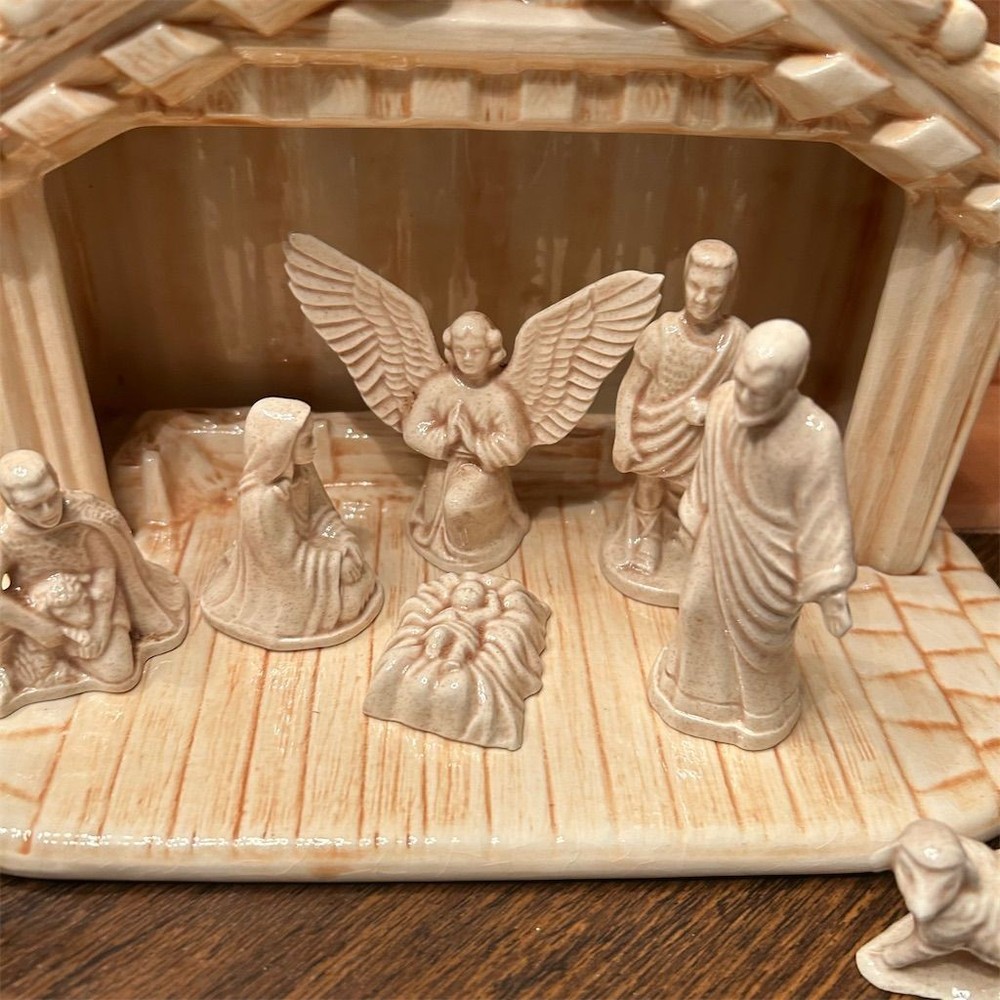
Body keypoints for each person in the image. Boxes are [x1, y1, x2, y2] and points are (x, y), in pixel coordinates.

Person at [648, 320, 856, 750]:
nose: (743, 397)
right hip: (719, 536)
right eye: (740, 383)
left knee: (763, 641)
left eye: (757, 392)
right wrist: (693, 518)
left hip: (774, 556)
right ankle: (691, 694)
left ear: (792, 382)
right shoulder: (725, 403)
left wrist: (831, 590)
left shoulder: (815, 435)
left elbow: (825, 514)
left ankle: (760, 711)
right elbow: (708, 474)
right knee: (696, 608)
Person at [603, 240, 747, 605]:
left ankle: (693, 545)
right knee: (649, 484)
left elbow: (747, 395)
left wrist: (712, 406)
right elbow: (631, 387)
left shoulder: (737, 339)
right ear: (684, 281)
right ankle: (646, 537)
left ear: (729, 290)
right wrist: (624, 436)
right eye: (695, 286)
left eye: (714, 290)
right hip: (656, 428)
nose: (702, 298)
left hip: (702, 438)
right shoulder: (661, 333)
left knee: (700, 494)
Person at [0, 449, 188, 716]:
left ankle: (59, 662)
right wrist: (35, 625)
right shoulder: (7, 537)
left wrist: (99, 628)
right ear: (13, 506)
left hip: (90, 608)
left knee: (117, 672)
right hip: (33, 611)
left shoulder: (86, 515)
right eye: (33, 506)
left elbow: (105, 573)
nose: (48, 511)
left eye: (52, 497)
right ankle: (13, 670)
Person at [200, 397, 382, 650]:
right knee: (351, 601)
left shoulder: (303, 470)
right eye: (307, 440)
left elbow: (323, 516)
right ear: (280, 447)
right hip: (280, 581)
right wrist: (336, 565)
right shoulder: (262, 500)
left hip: (313, 560)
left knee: (363, 582)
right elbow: (281, 561)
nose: (315, 445)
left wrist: (344, 544)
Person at [402, 312, 532, 572]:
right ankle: (447, 545)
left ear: (491, 352)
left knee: (457, 506)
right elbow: (413, 431)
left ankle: (476, 548)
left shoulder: (501, 397)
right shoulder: (438, 387)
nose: (468, 358)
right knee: (434, 513)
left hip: (483, 469)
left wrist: (474, 441)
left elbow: (514, 447)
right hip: (443, 464)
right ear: (451, 352)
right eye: (460, 351)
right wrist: (447, 436)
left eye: (476, 351)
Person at [363, 572, 550, 750]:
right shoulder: (449, 612)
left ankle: (454, 660)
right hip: (446, 630)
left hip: (466, 637)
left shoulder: (479, 614)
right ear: (452, 596)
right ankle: (433, 650)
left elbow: (493, 611)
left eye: (473, 592)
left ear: (482, 600)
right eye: (463, 590)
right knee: (439, 633)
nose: (467, 593)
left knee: (460, 647)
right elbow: (431, 623)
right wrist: (437, 627)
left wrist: (493, 598)